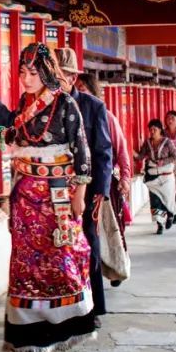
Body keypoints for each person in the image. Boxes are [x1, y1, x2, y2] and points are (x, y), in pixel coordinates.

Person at [0, 43, 97, 352]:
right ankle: (29, 336)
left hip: (57, 196)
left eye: (32, 73)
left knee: (61, 257)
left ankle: (64, 327)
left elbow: (81, 149)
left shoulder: (65, 104)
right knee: (26, 261)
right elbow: (14, 126)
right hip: (25, 196)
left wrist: (80, 193)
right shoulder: (26, 102)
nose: (26, 78)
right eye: (22, 72)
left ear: (46, 72)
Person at [50, 48, 113, 321]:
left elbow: (103, 153)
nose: (53, 80)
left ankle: (93, 307)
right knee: (60, 248)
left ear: (73, 78)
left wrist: (100, 193)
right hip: (54, 191)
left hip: (85, 192)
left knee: (88, 246)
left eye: (58, 75)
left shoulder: (92, 106)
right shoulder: (46, 104)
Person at [77, 73, 130, 287]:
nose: (79, 93)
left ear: (93, 92)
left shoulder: (105, 115)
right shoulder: (69, 115)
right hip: (79, 187)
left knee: (110, 230)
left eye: (83, 89)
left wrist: (125, 177)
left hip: (103, 185)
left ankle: (117, 268)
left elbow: (120, 150)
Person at [136, 119, 176, 234]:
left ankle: (171, 214)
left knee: (167, 199)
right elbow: (141, 156)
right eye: (150, 129)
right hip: (153, 177)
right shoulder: (147, 143)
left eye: (154, 129)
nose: (152, 132)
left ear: (160, 130)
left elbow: (175, 156)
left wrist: (163, 162)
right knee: (155, 200)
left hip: (166, 177)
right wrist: (130, 151)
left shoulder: (167, 142)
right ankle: (159, 224)